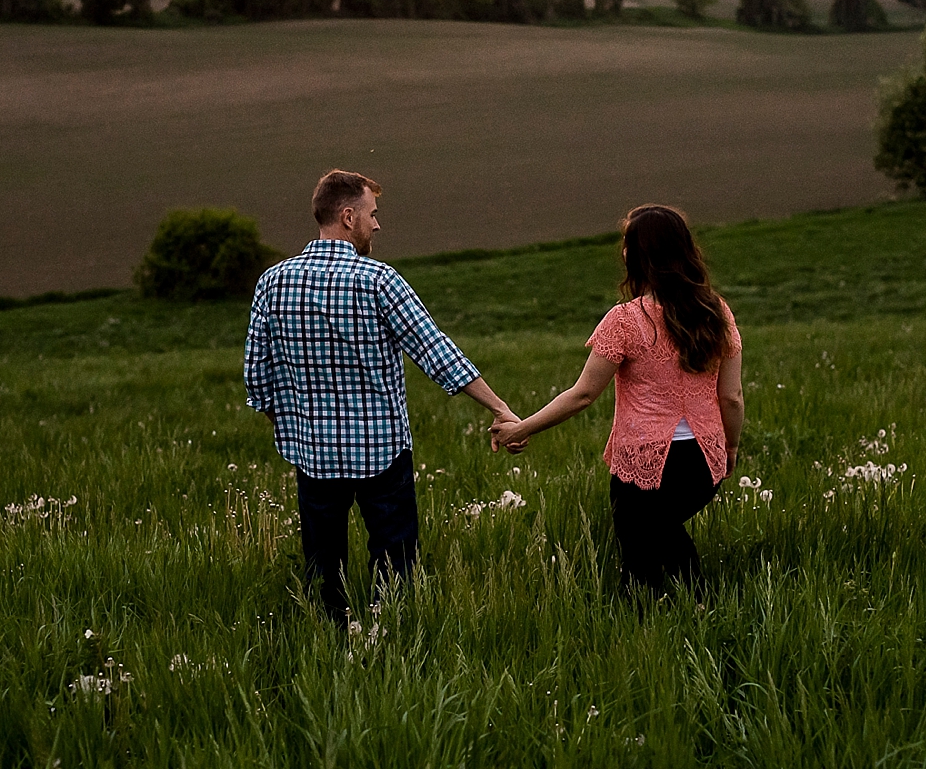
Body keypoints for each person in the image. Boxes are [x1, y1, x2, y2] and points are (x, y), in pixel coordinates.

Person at [244, 169, 517, 622]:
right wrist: (500, 408)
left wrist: (295, 427)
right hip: (381, 453)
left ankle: (329, 638)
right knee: (394, 565)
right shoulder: (379, 280)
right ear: (348, 216)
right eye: (373, 214)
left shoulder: (272, 282)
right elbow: (437, 352)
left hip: (313, 456)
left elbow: (258, 376)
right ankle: (389, 636)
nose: (377, 225)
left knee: (321, 567)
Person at [492, 204, 743, 593]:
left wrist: (520, 429)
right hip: (702, 462)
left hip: (641, 461)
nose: (622, 252)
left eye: (627, 245)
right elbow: (732, 398)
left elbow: (583, 394)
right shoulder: (717, 313)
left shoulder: (625, 320)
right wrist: (730, 446)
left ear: (639, 255)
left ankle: (665, 625)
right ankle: (700, 613)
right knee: (664, 537)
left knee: (640, 566)